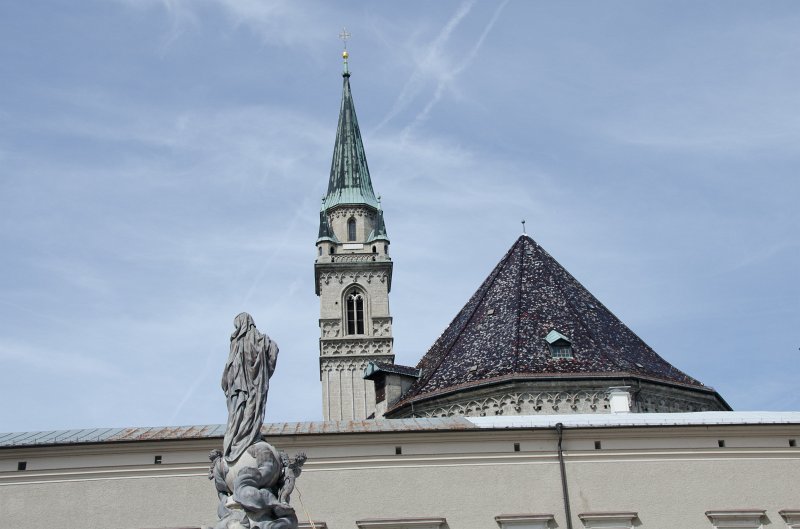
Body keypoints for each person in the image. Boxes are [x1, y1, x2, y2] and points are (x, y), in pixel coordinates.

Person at [221, 312, 279, 463]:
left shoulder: (241, 341)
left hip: (241, 388)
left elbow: (229, 367)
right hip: (250, 388)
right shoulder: (261, 339)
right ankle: (243, 437)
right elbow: (273, 351)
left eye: (237, 325)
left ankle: (240, 439)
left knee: (238, 414)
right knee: (247, 412)